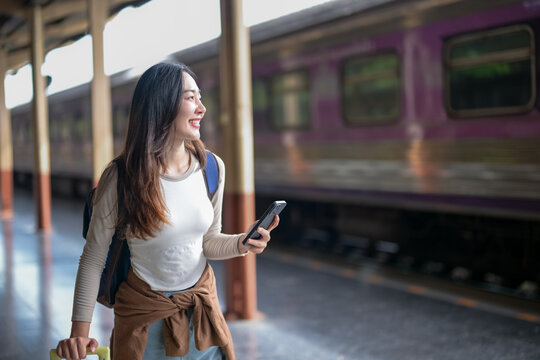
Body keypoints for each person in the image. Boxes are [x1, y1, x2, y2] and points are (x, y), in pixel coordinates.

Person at [56, 62, 279, 360]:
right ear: (160, 105)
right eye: (190, 98)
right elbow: (93, 258)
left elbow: (208, 243)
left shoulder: (211, 168)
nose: (201, 108)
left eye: (200, 97)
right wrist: (79, 335)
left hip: (202, 322)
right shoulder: (120, 178)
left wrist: (242, 243)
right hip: (143, 326)